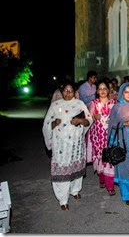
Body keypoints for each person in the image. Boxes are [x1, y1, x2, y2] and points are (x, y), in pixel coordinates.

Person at [42, 81, 93, 211]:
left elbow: (89, 120)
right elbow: (46, 124)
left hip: (76, 144)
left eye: (70, 91)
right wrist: (54, 123)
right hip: (61, 145)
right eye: (65, 90)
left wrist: (81, 120)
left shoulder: (79, 104)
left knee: (76, 167)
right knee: (62, 169)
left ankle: (75, 190)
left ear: (75, 92)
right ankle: (62, 199)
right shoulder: (55, 105)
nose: (68, 93)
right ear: (61, 91)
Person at [86, 80, 117, 196]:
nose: (103, 91)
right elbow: (88, 119)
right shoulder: (94, 103)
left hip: (110, 136)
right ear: (97, 91)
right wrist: (94, 117)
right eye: (100, 89)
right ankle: (102, 178)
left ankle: (110, 186)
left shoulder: (113, 103)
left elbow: (117, 117)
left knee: (109, 159)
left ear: (108, 90)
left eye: (105, 89)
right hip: (98, 136)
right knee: (100, 158)